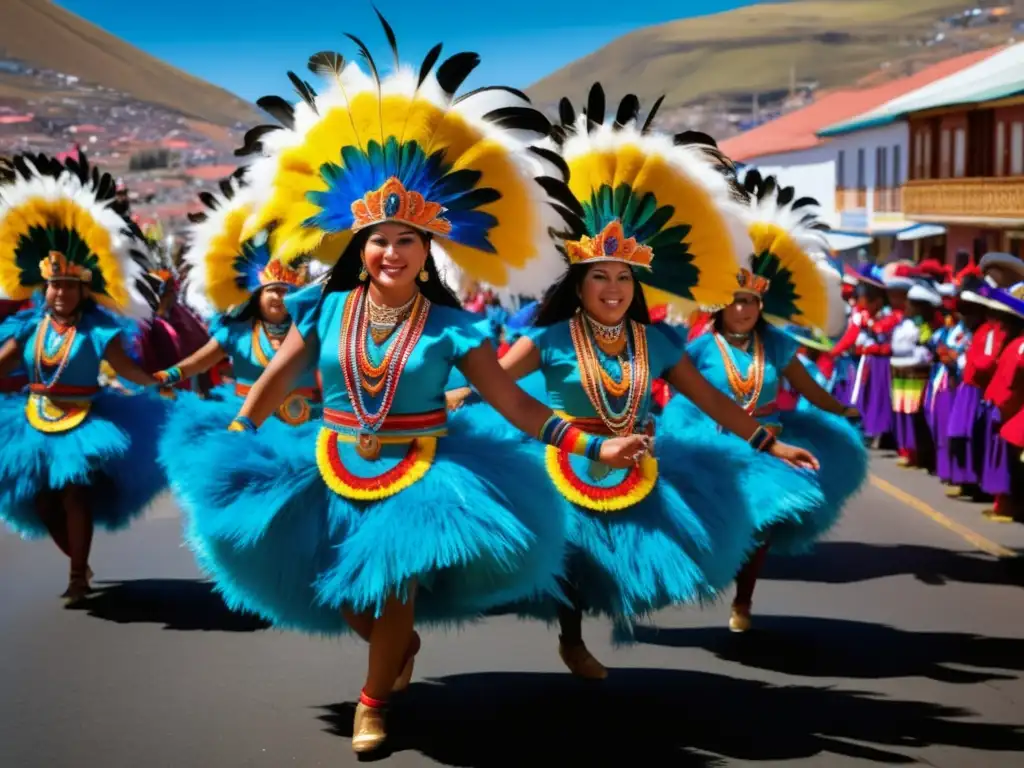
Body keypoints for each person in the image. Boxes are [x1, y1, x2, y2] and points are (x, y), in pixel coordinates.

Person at [162, 25, 647, 755]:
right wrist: (236, 433)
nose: (391, 252)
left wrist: (593, 441)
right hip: (327, 461)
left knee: (392, 588)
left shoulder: (453, 327)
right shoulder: (325, 308)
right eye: (379, 240)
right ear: (361, 246)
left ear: (427, 253)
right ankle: (394, 648)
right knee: (346, 593)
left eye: (407, 241)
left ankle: (372, 702)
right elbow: (276, 376)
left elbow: (515, 403)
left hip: (421, 470)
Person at [449, 92, 821, 662]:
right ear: (579, 282)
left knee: (613, 563)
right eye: (600, 275)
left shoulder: (659, 342)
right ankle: (571, 639)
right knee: (567, 556)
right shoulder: (549, 338)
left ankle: (581, 632)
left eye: (624, 276)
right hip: (561, 459)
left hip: (636, 460)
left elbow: (713, 401)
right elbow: (495, 381)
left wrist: (773, 444)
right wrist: (456, 393)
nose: (614, 287)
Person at [661, 170, 865, 633]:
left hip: (768, 444)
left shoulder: (776, 345)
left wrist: (837, 409)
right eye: (734, 301)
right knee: (716, 523)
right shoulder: (698, 349)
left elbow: (808, 387)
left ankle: (744, 599)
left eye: (750, 302)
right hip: (710, 446)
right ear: (719, 306)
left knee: (761, 529)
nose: (742, 310)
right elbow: (682, 393)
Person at [0, 151, 169, 602]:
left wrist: (159, 380)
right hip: (31, 421)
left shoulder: (99, 331)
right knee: (40, 500)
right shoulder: (27, 327)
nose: (60, 293)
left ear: (82, 290)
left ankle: (77, 573)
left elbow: (130, 369)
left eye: (69, 286)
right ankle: (78, 557)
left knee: (74, 493)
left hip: (84, 419)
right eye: (54, 286)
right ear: (44, 287)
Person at [152, 172, 322, 454]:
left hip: (307, 427)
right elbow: (202, 360)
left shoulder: (312, 331)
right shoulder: (237, 331)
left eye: (287, 292)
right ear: (258, 296)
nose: (280, 298)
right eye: (273, 291)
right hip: (247, 429)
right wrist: (169, 374)